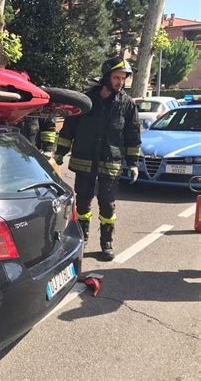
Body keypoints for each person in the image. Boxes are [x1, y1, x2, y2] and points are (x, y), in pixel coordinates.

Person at [53, 56, 141, 261]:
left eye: (123, 78)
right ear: (106, 77)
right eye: (116, 77)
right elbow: (69, 128)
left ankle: (106, 243)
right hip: (84, 160)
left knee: (107, 204)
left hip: (111, 162)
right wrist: (60, 152)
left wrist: (133, 163)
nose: (121, 82)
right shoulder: (86, 100)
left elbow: (133, 135)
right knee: (82, 202)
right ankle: (82, 238)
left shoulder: (127, 104)